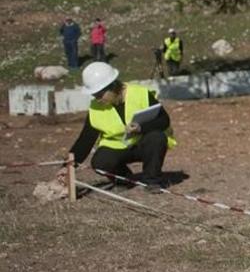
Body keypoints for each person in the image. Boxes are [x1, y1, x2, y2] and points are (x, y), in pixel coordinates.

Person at [58, 61, 177, 189]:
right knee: (100, 162)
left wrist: (141, 128)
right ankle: (125, 180)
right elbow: (85, 140)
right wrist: (68, 167)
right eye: (94, 95)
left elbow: (164, 120)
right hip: (118, 149)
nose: (97, 99)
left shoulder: (140, 93)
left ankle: (152, 180)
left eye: (99, 94)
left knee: (156, 137)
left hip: (143, 144)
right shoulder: (96, 107)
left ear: (113, 86)